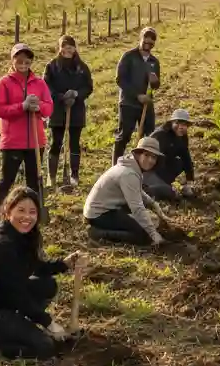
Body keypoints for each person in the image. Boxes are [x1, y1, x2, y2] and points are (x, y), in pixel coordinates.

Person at [0, 186, 74, 359]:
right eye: (21, 210)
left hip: (1, 299)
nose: (27, 217)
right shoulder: (2, 246)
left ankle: (15, 326)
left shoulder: (23, 237)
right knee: (45, 347)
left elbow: (35, 267)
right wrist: (48, 323)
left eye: (32, 212)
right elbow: (17, 295)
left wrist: (64, 264)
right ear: (8, 211)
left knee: (47, 285)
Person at [0, 43, 52, 213]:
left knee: (34, 180)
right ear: (12, 61)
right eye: (19, 60)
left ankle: (34, 213)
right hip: (12, 141)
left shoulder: (39, 83)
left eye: (27, 61)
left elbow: (49, 107)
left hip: (36, 140)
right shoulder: (4, 83)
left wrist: (39, 107)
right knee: (7, 180)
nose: (23, 64)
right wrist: (22, 106)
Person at [83, 135, 165, 246]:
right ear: (138, 154)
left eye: (154, 157)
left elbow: (137, 191)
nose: (150, 160)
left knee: (144, 225)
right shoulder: (129, 173)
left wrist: (153, 204)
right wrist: (153, 234)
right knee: (143, 237)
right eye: (146, 155)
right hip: (99, 214)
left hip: (107, 207)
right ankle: (98, 233)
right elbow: (137, 208)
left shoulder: (132, 166)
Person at [43, 34, 93, 188]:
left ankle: (74, 175)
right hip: (57, 109)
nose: (68, 49)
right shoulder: (52, 66)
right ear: (60, 48)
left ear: (74, 48)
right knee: (56, 142)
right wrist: (61, 97)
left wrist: (76, 94)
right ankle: (51, 176)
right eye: (65, 46)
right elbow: (46, 86)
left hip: (76, 109)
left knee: (74, 143)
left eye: (71, 46)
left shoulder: (82, 67)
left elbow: (88, 87)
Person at [112, 26, 160, 163]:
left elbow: (156, 85)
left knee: (148, 137)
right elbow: (120, 79)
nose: (148, 42)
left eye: (152, 40)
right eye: (146, 38)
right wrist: (137, 95)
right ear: (141, 38)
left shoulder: (154, 62)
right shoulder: (129, 57)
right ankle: (116, 166)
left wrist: (155, 82)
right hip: (128, 103)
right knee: (124, 135)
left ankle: (141, 166)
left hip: (146, 105)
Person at [144, 109, 196, 202]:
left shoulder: (182, 137)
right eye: (177, 123)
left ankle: (163, 185)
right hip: (149, 170)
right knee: (169, 194)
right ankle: (147, 190)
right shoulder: (160, 135)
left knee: (180, 163)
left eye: (184, 124)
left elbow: (186, 157)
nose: (181, 127)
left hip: (163, 167)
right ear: (171, 123)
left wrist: (190, 180)